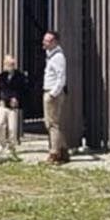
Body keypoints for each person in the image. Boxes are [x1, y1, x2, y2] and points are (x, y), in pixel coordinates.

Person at [0, 54, 27, 160]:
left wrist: (17, 100)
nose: (10, 66)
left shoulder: (20, 76)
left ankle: (11, 148)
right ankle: (1, 144)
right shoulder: (1, 76)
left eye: (12, 64)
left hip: (13, 106)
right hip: (3, 104)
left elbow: (23, 90)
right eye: (7, 64)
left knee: (12, 128)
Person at [41, 30, 69, 164]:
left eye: (47, 41)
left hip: (53, 93)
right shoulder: (50, 55)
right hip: (49, 91)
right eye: (44, 40)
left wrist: (52, 94)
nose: (44, 43)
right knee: (53, 123)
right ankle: (63, 151)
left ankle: (54, 153)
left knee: (52, 124)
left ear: (55, 42)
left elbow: (61, 78)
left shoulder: (58, 57)